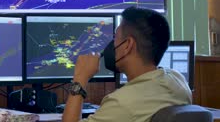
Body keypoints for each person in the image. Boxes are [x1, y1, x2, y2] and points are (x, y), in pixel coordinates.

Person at [62, 7, 192, 122]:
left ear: (128, 45)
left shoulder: (123, 104)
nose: (111, 44)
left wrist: (80, 78)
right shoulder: (178, 80)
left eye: (115, 38)